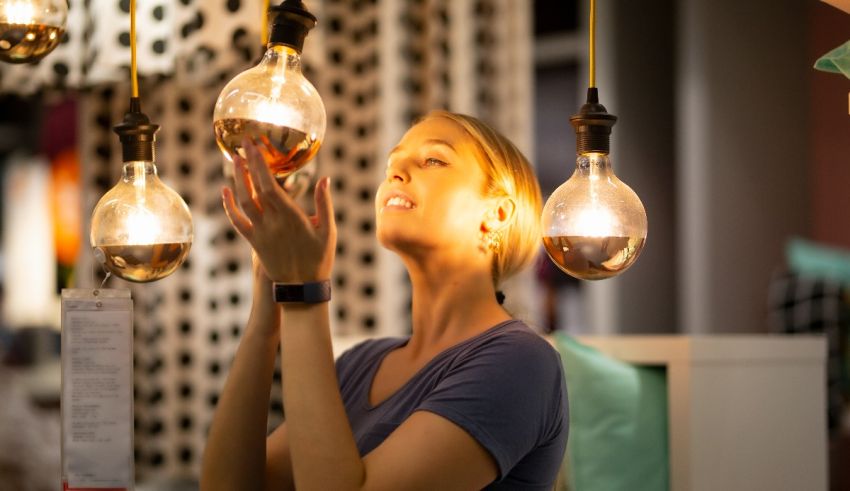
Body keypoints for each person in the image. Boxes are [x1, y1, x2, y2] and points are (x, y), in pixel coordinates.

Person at [201, 110, 569, 490]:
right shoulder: (358, 365)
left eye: (432, 160)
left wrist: (305, 290)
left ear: (497, 212)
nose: (395, 172)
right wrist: (268, 307)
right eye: (391, 164)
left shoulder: (522, 362)